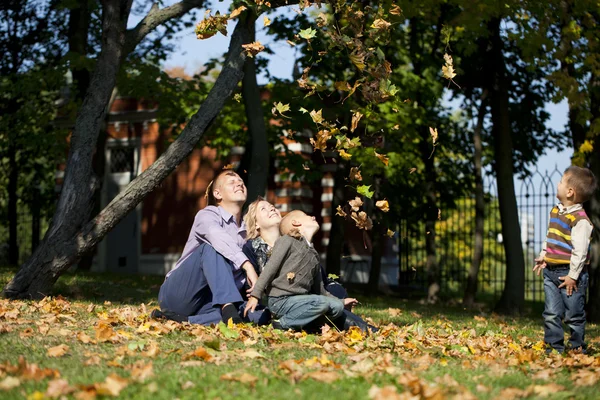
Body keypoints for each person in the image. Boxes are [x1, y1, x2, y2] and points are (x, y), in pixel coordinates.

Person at [155, 170, 268, 325]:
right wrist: (247, 265)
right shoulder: (207, 215)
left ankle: (187, 321)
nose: (239, 183)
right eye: (232, 182)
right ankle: (227, 307)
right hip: (180, 294)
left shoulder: (248, 232)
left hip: (209, 301)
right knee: (211, 248)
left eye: (241, 181)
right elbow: (216, 236)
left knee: (260, 314)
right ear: (217, 194)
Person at [244, 209, 360, 331]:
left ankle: (307, 325)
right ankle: (282, 323)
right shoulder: (287, 241)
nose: (313, 216)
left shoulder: (314, 255)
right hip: (280, 300)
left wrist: (341, 301)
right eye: (307, 215)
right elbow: (270, 269)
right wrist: (255, 295)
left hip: (301, 302)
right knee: (321, 302)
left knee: (336, 306)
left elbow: (320, 290)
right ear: (296, 223)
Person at [533, 166, 597, 353]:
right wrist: (545, 255)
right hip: (551, 271)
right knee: (551, 313)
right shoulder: (556, 211)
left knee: (574, 314)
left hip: (569, 275)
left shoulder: (580, 220)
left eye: (561, 181)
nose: (558, 184)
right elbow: (551, 236)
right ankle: (554, 347)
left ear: (570, 192)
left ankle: (577, 347)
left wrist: (573, 276)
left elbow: (580, 252)